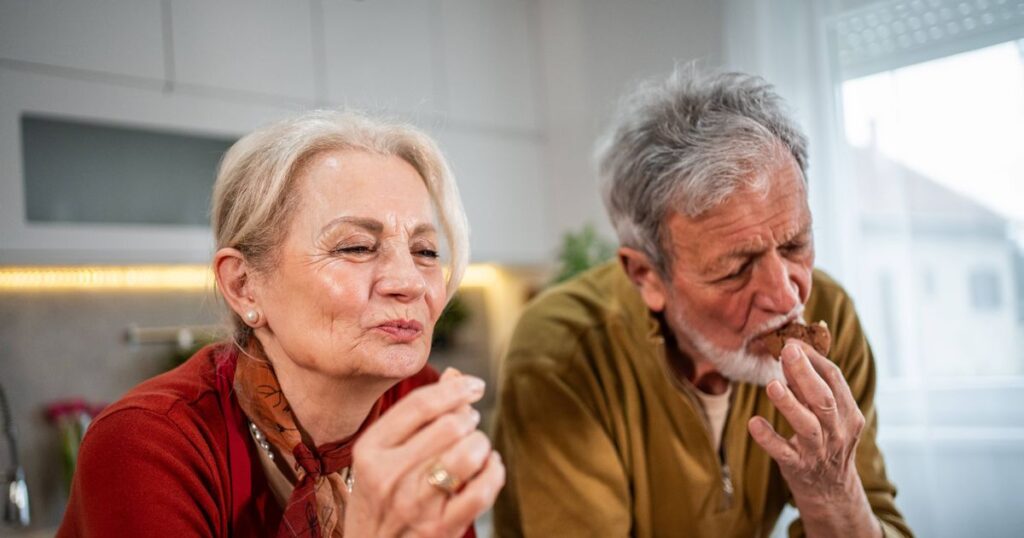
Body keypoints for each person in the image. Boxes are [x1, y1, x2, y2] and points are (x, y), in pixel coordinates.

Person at [492, 69, 912, 537]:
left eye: (796, 245)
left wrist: (832, 495)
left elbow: (880, 519)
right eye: (735, 269)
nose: (787, 296)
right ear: (646, 276)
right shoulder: (562, 355)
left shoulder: (829, 315)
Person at [59, 110, 505, 537]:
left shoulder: (419, 405)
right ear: (244, 286)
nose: (409, 282)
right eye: (355, 247)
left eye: (426, 251)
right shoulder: (146, 442)